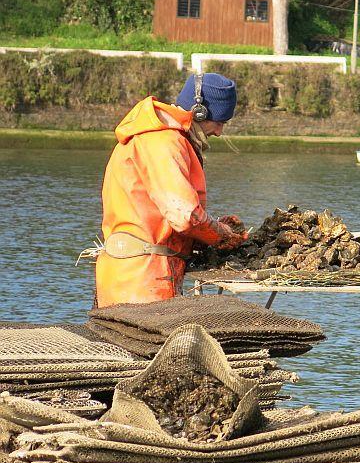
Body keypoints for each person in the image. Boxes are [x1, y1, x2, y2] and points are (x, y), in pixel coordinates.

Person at [95, 73, 247, 308]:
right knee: (153, 344)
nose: (219, 132)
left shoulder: (160, 137)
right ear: (199, 112)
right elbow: (185, 215)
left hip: (135, 273)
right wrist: (222, 235)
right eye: (219, 122)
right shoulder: (163, 141)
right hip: (143, 279)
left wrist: (211, 230)